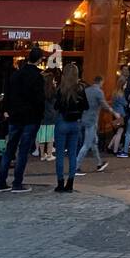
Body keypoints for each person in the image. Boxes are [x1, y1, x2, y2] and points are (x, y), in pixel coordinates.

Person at [0, 45, 46, 193]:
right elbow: (39, 99)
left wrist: (7, 110)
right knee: (23, 151)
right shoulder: (37, 77)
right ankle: (17, 182)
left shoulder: (16, 75)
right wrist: (39, 115)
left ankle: (1, 181)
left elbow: (8, 94)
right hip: (30, 118)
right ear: (40, 59)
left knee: (10, 148)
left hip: (15, 117)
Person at [53, 61, 88, 192]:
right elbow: (86, 106)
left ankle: (60, 182)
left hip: (62, 121)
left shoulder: (61, 89)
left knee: (60, 154)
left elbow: (56, 106)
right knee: (73, 154)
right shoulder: (80, 88)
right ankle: (70, 183)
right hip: (75, 123)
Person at [76, 72, 114, 174]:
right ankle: (76, 166)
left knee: (93, 143)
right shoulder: (99, 92)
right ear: (101, 82)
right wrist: (113, 111)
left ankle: (99, 163)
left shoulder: (87, 90)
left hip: (84, 118)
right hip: (92, 120)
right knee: (87, 144)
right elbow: (104, 105)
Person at [108, 73, 129, 155]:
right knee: (119, 133)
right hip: (120, 115)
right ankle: (115, 150)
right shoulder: (121, 94)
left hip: (115, 114)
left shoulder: (114, 92)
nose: (126, 85)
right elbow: (125, 104)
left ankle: (109, 147)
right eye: (125, 84)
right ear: (122, 84)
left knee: (117, 132)